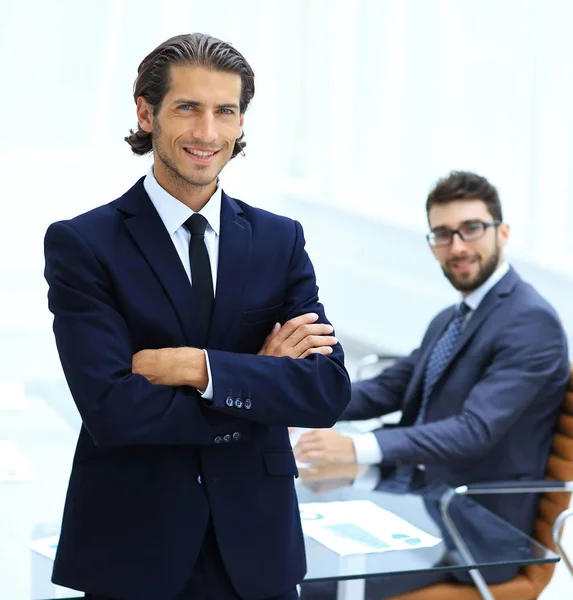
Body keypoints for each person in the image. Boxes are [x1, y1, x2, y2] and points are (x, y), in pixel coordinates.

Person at [44, 33, 350, 600]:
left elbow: (325, 392)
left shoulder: (279, 241)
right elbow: (114, 410)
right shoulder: (82, 245)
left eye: (225, 111)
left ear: (240, 123)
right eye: (188, 107)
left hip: (259, 556)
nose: (208, 133)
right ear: (146, 112)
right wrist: (256, 385)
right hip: (134, 552)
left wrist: (198, 367)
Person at [297, 170, 569, 599]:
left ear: (503, 232)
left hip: (477, 532)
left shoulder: (530, 322)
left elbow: (474, 431)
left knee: (309, 587)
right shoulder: (453, 317)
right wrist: (292, 398)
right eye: (442, 234)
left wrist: (356, 447)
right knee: (285, 553)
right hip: (423, 501)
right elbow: (388, 389)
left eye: (471, 229)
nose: (456, 246)